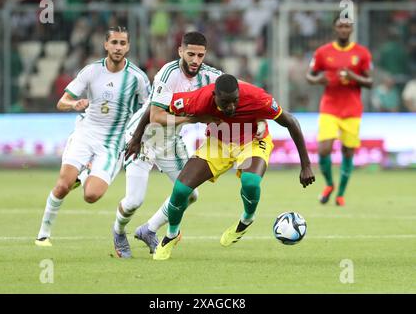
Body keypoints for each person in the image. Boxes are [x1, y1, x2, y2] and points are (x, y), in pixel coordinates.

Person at [149, 74, 315, 260]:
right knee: (180, 189)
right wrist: (138, 136)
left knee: (250, 182)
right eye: (225, 102)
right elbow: (157, 108)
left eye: (235, 101)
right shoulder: (198, 99)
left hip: (251, 141)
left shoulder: (257, 98)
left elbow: (291, 121)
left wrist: (306, 165)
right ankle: (171, 236)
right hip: (218, 143)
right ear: (214, 95)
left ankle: (246, 219)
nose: (231, 107)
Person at [111, 32, 225, 258]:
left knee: (190, 194)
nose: (195, 60)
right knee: (134, 201)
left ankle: (149, 230)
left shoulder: (210, 76)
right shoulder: (168, 73)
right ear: (180, 51)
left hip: (171, 140)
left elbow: (235, 87)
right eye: (190, 54)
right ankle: (118, 231)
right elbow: (155, 115)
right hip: (143, 137)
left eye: (200, 55)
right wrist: (192, 119)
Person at [35, 27, 151, 247]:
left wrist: (139, 135)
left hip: (113, 142)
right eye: (114, 42)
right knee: (63, 185)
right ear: (105, 45)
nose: (118, 47)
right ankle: (43, 234)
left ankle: (86, 171)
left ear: (128, 47)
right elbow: (62, 101)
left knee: (91, 196)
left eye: (122, 43)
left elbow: (149, 108)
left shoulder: (137, 78)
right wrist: (74, 104)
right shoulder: (91, 71)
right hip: (86, 133)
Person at [306, 16, 373, 207]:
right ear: (335, 28)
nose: (343, 29)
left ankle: (341, 194)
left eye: (347, 26)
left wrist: (353, 76)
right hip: (330, 107)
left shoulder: (362, 53)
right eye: (340, 26)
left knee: (348, 151)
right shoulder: (323, 52)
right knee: (324, 149)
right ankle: (329, 185)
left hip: (352, 109)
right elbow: (309, 75)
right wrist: (318, 80)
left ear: (351, 29)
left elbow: (370, 82)